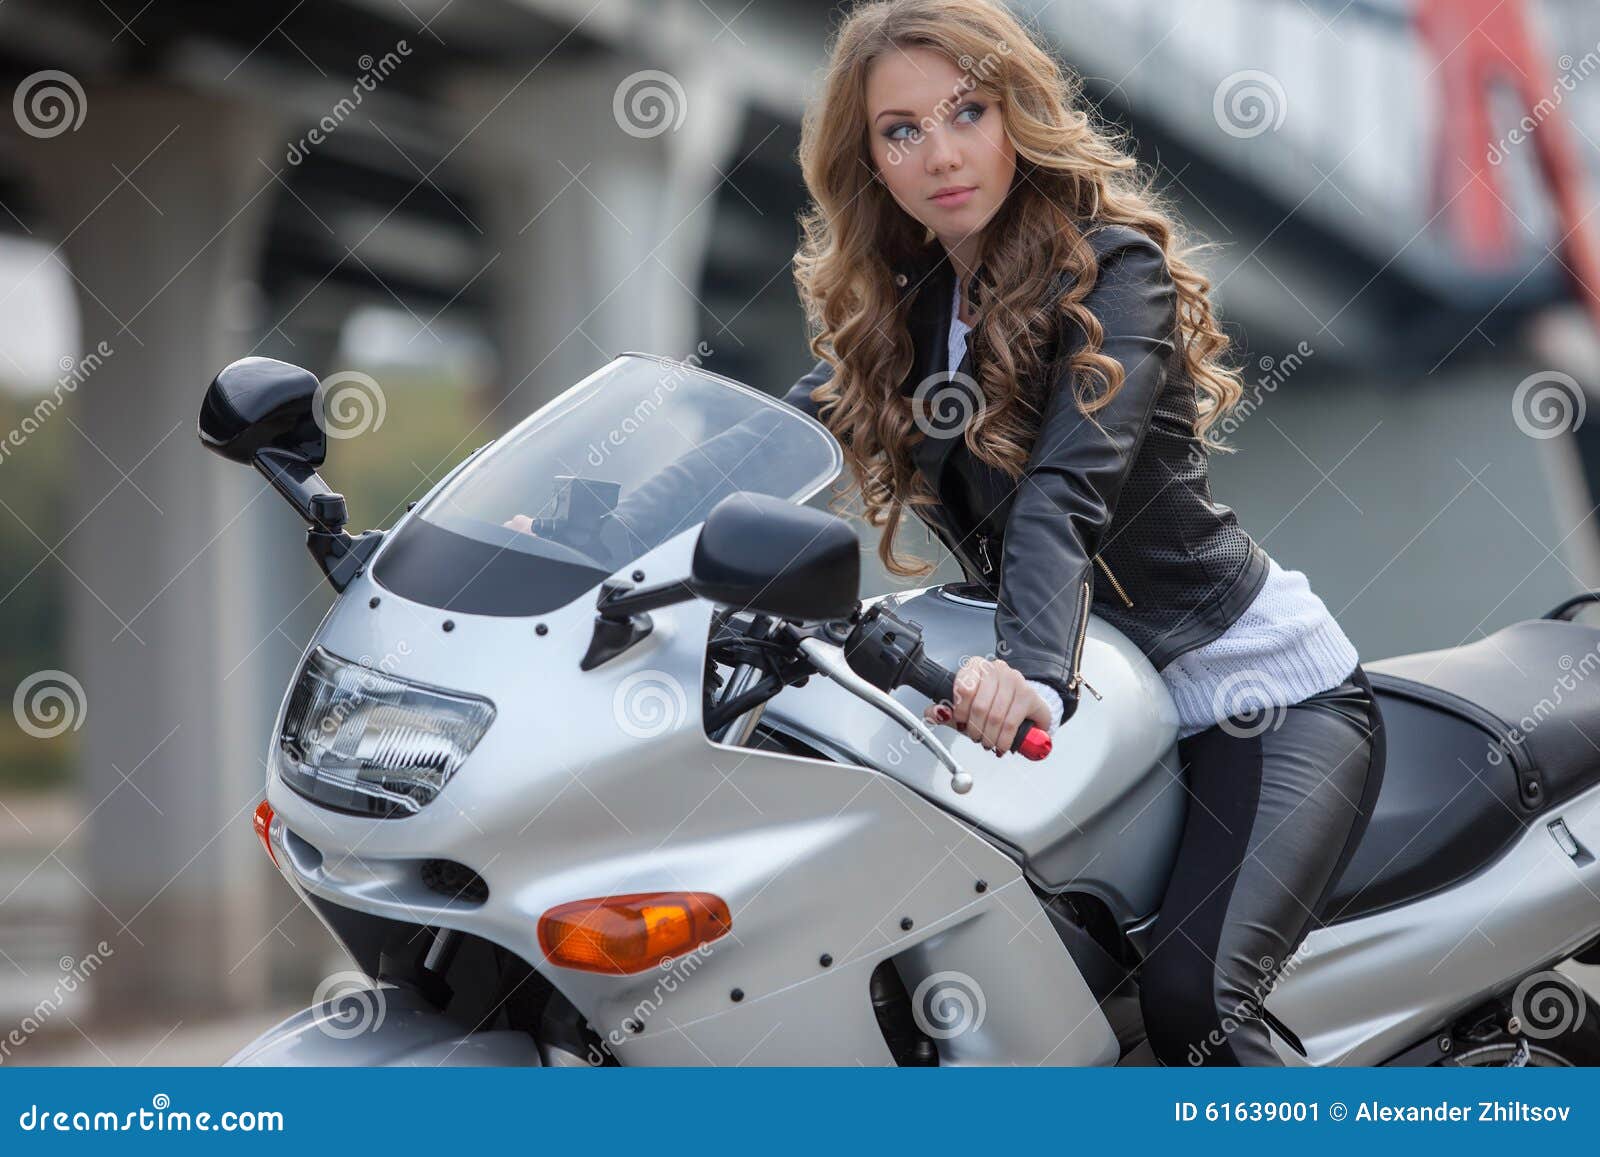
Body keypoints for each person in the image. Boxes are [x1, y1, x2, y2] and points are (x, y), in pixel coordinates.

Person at [778, 0, 1386, 1065]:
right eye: (901, 129)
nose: (941, 152)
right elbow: (784, 431)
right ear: (868, 158)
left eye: (967, 110)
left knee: (1195, 1009)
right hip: (1106, 705)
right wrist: (592, 516)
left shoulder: (1111, 272)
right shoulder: (910, 307)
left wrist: (1028, 667)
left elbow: (1066, 490)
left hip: (1247, 693)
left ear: (1016, 113)